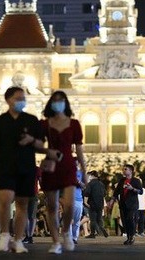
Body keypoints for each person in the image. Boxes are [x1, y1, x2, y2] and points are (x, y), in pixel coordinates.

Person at [0, 86, 59, 253]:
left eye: (23, 98)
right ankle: (4, 234)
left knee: (22, 204)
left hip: (26, 166)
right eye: (19, 98)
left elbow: (41, 145)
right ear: (8, 100)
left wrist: (31, 140)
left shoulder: (32, 120)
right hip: (5, 165)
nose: (22, 101)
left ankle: (18, 240)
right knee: (4, 198)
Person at [38, 90, 87, 254]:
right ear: (50, 104)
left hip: (68, 165)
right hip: (51, 165)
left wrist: (84, 171)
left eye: (61, 100)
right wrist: (47, 151)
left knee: (70, 205)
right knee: (52, 206)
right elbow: (36, 144)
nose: (58, 103)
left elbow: (79, 149)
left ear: (66, 103)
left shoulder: (74, 124)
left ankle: (66, 231)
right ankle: (56, 242)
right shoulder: (45, 124)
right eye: (55, 100)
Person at [110, 164, 143, 246]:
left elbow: (141, 191)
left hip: (132, 205)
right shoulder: (121, 180)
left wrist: (133, 189)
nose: (124, 171)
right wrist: (111, 201)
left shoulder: (136, 181)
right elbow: (116, 192)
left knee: (130, 220)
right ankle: (128, 237)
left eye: (125, 169)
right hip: (123, 204)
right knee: (125, 222)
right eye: (123, 169)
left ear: (131, 171)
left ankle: (132, 236)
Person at [84, 170, 108, 238]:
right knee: (99, 219)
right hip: (100, 204)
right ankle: (102, 228)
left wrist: (85, 202)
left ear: (92, 176)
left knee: (93, 220)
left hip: (92, 204)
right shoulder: (101, 184)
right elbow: (104, 194)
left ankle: (92, 234)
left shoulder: (90, 183)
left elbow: (87, 193)